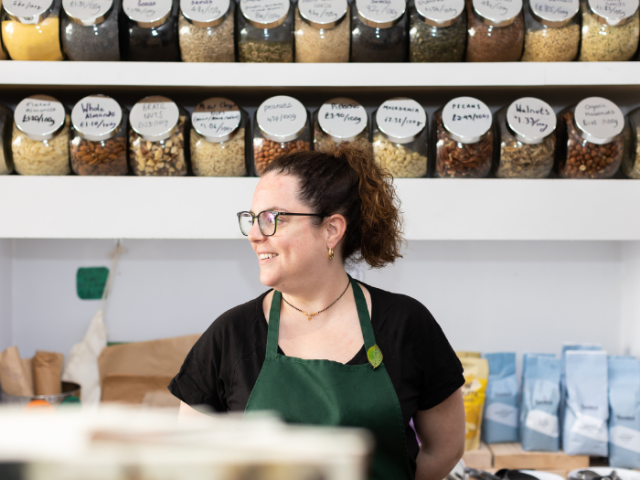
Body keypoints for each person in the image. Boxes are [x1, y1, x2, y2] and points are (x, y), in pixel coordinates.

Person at [169, 144, 466, 480]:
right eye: (252, 220)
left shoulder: (405, 325)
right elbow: (190, 462)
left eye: (271, 219)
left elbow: (446, 448)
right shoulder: (231, 335)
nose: (253, 235)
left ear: (331, 230)